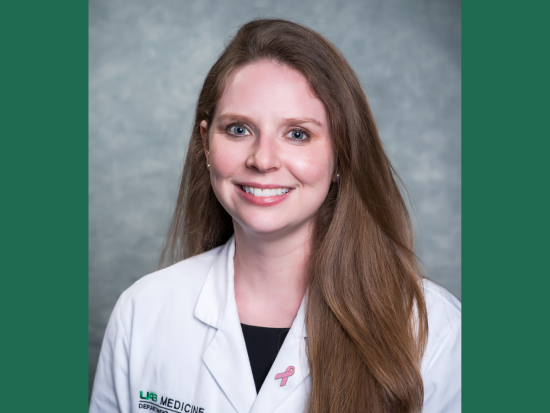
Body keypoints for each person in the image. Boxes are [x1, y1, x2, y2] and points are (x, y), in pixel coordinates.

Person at [90, 18, 460, 413]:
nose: (263, 160)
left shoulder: (433, 330)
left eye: (298, 134)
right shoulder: (143, 312)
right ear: (206, 144)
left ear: (341, 155)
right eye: (238, 129)